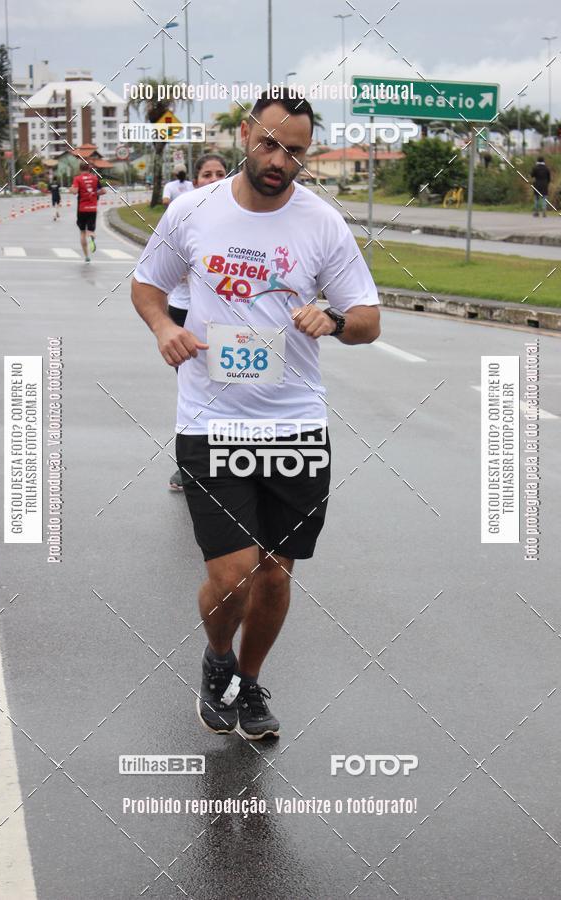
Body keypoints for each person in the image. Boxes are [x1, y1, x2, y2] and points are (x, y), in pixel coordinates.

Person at [131, 90, 380, 740]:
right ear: (246, 134)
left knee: (275, 572)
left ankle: (248, 677)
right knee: (233, 574)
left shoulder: (321, 224)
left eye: (294, 151)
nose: (279, 160)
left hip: (294, 424)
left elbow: (369, 319)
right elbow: (147, 282)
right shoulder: (193, 210)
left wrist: (334, 318)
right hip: (211, 421)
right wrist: (162, 327)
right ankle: (218, 661)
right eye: (269, 144)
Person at [168, 152, 229, 491]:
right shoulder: (183, 214)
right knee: (194, 390)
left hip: (225, 318)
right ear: (195, 180)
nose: (214, 179)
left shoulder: (241, 216)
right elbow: (159, 272)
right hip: (184, 312)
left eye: (220, 173)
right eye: (207, 173)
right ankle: (188, 466)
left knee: (229, 387)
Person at [70, 162, 105, 261]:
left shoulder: (78, 178)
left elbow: (75, 191)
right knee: (90, 231)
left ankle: (86, 256)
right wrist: (94, 193)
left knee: (82, 232)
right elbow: (103, 191)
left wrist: (71, 189)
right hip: (92, 208)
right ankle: (91, 236)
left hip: (82, 209)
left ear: (80, 169)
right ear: (89, 169)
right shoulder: (95, 178)